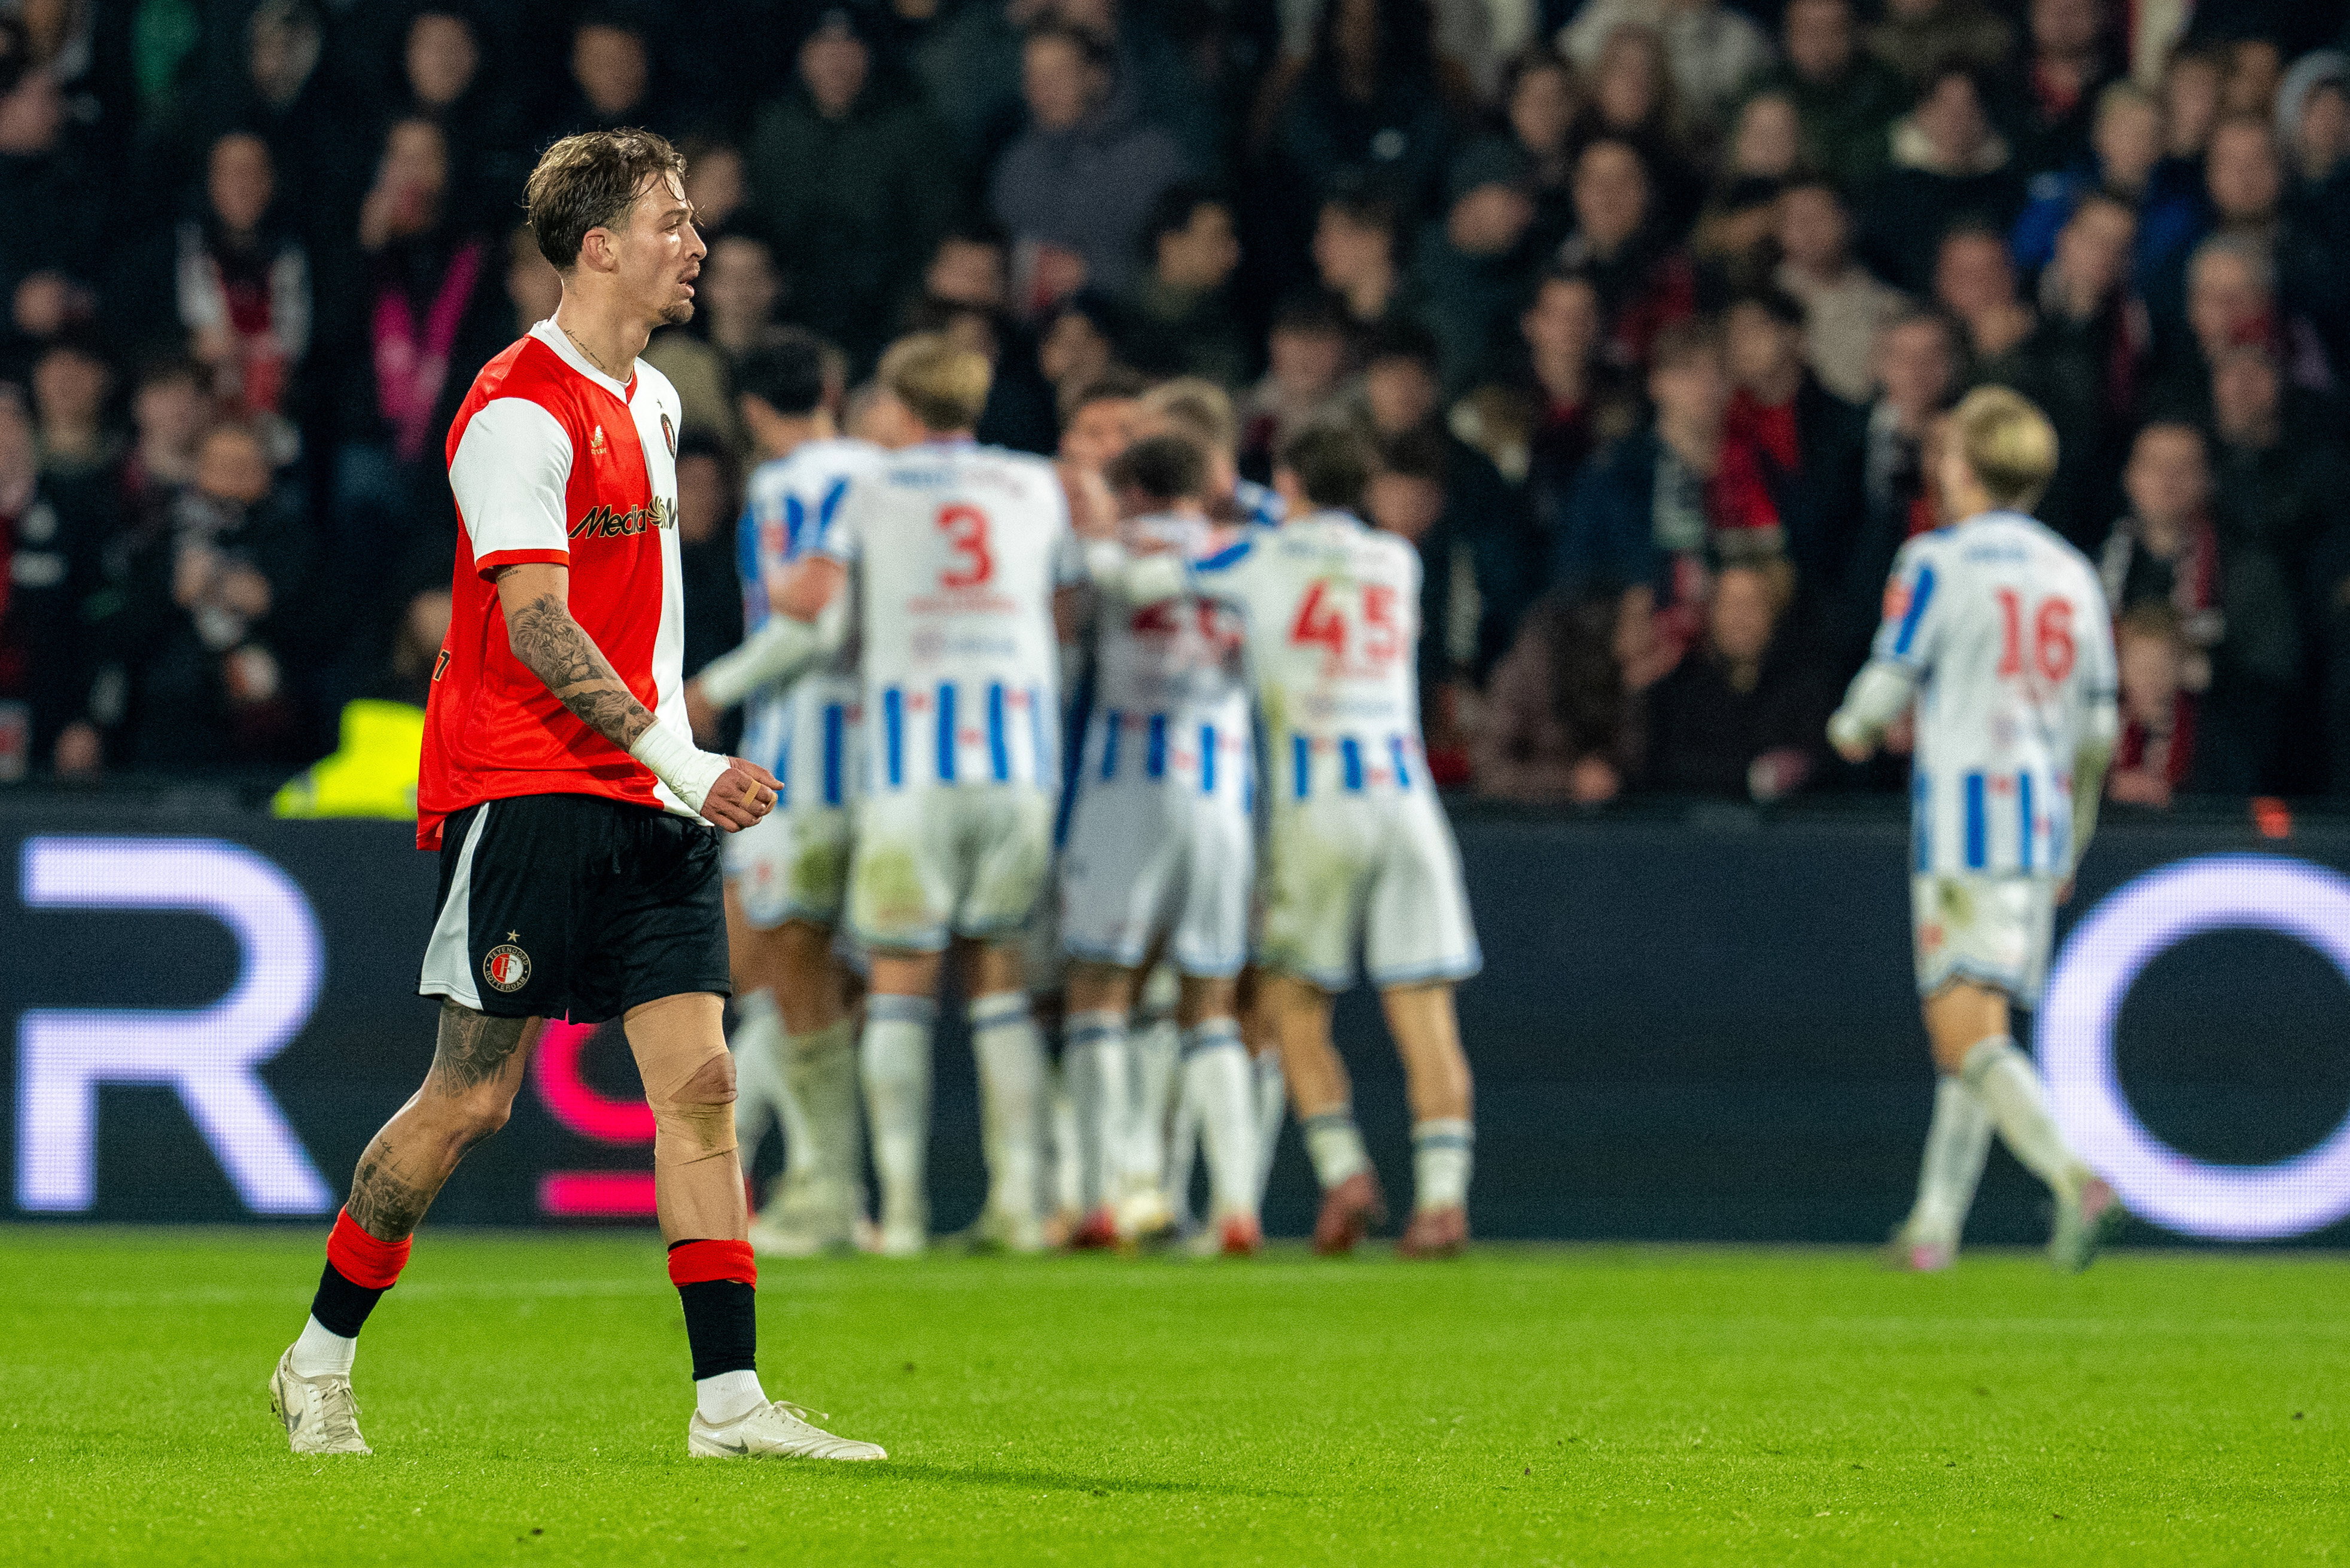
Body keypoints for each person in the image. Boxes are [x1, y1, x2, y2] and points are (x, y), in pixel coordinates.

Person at [269, 130, 884, 1465]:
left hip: (654, 799)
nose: (697, 245)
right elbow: (539, 627)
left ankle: (728, 1406)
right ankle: (317, 1357)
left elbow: (632, 626)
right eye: (673, 222)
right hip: (530, 787)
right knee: (472, 1102)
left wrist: (670, 768)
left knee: (704, 1082)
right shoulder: (513, 412)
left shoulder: (657, 401)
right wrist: (686, 760)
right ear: (598, 244)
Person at [1097, 425, 1481, 1258]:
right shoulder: (1397, 560)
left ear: (1291, 478)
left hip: (1318, 808)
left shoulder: (1253, 559)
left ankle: (1344, 1170)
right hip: (1409, 804)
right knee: (1426, 1013)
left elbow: (1140, 582)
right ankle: (1443, 1200)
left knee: (1291, 1006)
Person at [769, 333, 1085, 1256]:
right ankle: (1018, 1205)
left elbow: (809, 602)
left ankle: (901, 1212)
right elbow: (1064, 615)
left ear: (902, 411)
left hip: (913, 768)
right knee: (999, 984)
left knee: (902, 986)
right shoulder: (1036, 486)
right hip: (1021, 764)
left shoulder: (869, 491)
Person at [1828, 385, 2123, 1274]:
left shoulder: (1937, 561)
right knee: (1979, 1023)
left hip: (1964, 823)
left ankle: (2076, 1175)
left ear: (1963, 462)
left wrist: (1851, 727)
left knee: (1963, 1032)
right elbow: (2100, 732)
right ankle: (1933, 1227)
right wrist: (2074, 835)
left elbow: (1891, 673)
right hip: (2037, 824)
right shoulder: (2073, 571)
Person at [685, 334, 885, 1258]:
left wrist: (711, 690)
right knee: (831, 983)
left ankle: (823, 1190)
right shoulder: (888, 472)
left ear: (753, 414)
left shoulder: (784, 488)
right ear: (834, 388)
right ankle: (830, 1184)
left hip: (800, 761)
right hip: (890, 757)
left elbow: (807, 623)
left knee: (778, 972)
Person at [1057, 434, 1262, 1253]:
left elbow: (1070, 622)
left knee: (1100, 994)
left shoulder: (1107, 551)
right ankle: (1238, 1207)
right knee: (1210, 1002)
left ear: (1134, 488)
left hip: (1125, 787)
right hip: (1221, 795)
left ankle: (1105, 1196)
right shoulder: (1248, 551)